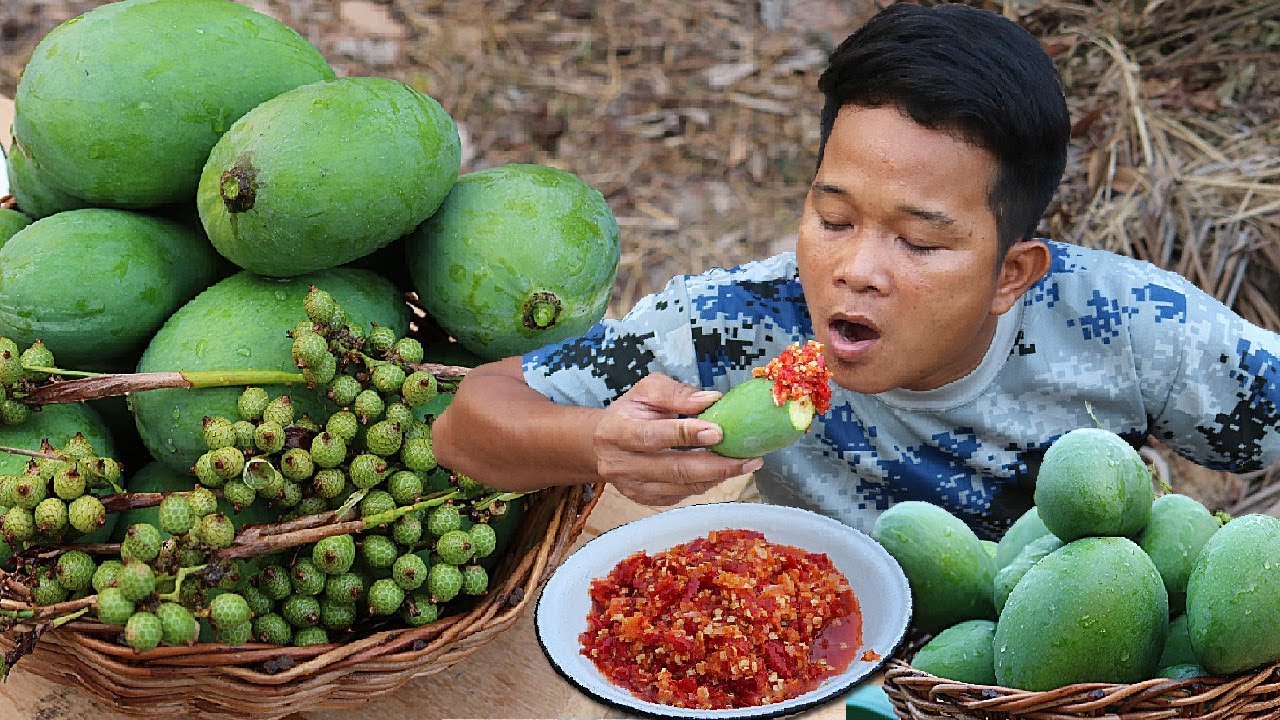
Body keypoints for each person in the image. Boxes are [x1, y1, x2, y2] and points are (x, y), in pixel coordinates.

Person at [433, 2, 1280, 539]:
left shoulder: (1132, 331)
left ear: (1010, 273)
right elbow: (469, 422)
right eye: (833, 219)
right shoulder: (737, 325)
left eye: (920, 241)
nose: (857, 269)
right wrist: (601, 446)